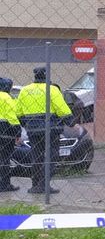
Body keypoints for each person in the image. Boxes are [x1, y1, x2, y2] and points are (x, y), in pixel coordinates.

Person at [16, 66, 72, 195]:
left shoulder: (25, 90)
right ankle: (43, 185)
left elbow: (18, 112)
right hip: (51, 129)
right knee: (51, 157)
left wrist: (26, 124)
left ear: (35, 75)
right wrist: (70, 120)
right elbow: (61, 108)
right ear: (47, 76)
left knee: (36, 157)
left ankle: (35, 185)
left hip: (33, 130)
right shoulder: (52, 89)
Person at [0, 78, 18, 193]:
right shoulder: (6, 97)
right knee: (5, 159)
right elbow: (11, 115)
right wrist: (17, 130)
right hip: (5, 130)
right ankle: (5, 184)